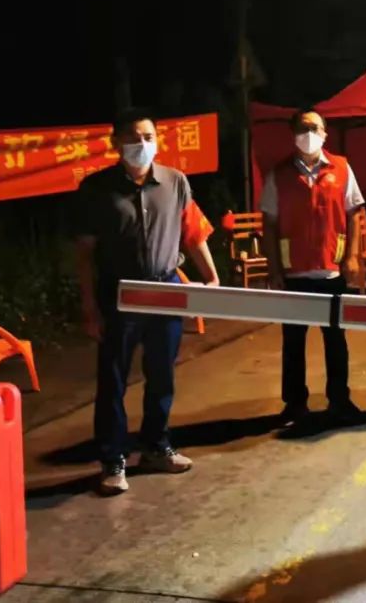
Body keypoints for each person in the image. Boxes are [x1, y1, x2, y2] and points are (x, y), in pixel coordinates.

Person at [75, 108, 219, 496]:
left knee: (162, 373)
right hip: (119, 295)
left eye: (149, 137)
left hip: (166, 291)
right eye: (133, 137)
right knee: (114, 379)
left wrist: (211, 278)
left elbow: (193, 233)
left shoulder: (175, 182)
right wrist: (89, 308)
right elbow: (84, 254)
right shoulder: (96, 190)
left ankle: (156, 446)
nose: (142, 144)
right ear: (115, 143)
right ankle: (113, 459)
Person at [261, 108, 365, 427]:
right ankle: (295, 404)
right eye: (303, 128)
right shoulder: (278, 175)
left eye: (315, 128)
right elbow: (270, 224)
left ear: (325, 133)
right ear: (293, 134)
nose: (309, 134)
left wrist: (351, 257)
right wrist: (274, 269)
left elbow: (354, 214)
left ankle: (340, 400)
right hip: (294, 273)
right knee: (293, 343)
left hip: (331, 271)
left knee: (336, 340)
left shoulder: (342, 168)